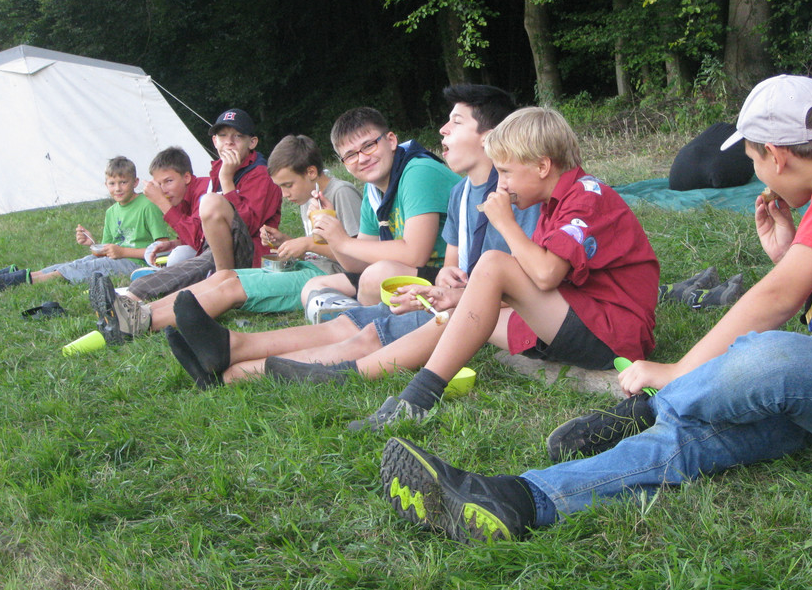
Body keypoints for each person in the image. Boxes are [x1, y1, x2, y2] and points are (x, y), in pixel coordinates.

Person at [378, 75, 812, 544]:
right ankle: (520, 499)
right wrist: (788, 253)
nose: (756, 173)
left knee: (769, 357)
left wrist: (678, 369)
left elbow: (777, 299)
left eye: (753, 160)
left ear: (775, 155)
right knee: (694, 439)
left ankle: (655, 403)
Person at [164, 84, 540, 389]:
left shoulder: (477, 184)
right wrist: (334, 235)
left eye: (454, 122)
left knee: (365, 334)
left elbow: (419, 254)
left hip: (472, 306)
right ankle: (232, 347)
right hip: (446, 295)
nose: (442, 129)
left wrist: (339, 242)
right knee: (350, 322)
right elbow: (419, 268)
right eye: (349, 155)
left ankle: (236, 372)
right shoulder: (455, 193)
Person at [334, 105, 659, 432]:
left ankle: (419, 398)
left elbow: (545, 275)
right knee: (467, 316)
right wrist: (455, 296)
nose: (500, 185)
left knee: (493, 262)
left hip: (612, 335)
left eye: (505, 172)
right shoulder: (554, 203)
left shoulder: (586, 198)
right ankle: (357, 371)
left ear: (542, 166)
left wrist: (506, 223)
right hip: (582, 317)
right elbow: (529, 281)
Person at [84, 135, 362, 339]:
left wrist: (307, 244)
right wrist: (288, 241)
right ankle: (135, 309)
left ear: (311, 172)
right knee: (224, 276)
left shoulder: (340, 193)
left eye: (288, 185)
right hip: (309, 266)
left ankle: (140, 323)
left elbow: (357, 260)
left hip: (329, 278)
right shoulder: (310, 195)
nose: (285, 194)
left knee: (231, 289)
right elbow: (324, 244)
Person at [91, 109, 282, 342]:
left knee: (202, 258)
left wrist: (226, 180)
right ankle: (133, 305)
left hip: (251, 254)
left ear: (252, 142)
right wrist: (177, 242)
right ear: (214, 141)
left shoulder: (259, 175)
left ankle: (131, 297)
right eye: (223, 136)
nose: (229, 142)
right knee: (193, 260)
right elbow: (203, 233)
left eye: (238, 136)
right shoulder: (219, 169)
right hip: (223, 249)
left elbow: (247, 227)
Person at [293, 106, 460, 321]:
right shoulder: (373, 191)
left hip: (450, 277)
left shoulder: (418, 171)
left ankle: (360, 321)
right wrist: (331, 233)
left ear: (391, 141)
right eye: (350, 155)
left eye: (369, 146)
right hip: (411, 273)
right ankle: (360, 316)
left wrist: (344, 242)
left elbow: (414, 255)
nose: (362, 159)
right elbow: (357, 264)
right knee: (314, 286)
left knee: (376, 276)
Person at [0, 156, 170, 291]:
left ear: (135, 182)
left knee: (75, 270)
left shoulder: (147, 205)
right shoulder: (111, 211)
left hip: (135, 264)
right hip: (115, 258)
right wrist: (92, 243)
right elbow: (106, 250)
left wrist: (123, 252)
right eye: (112, 183)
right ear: (106, 184)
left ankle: (2, 284)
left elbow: (162, 249)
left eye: (123, 182)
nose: (118, 188)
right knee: (70, 264)